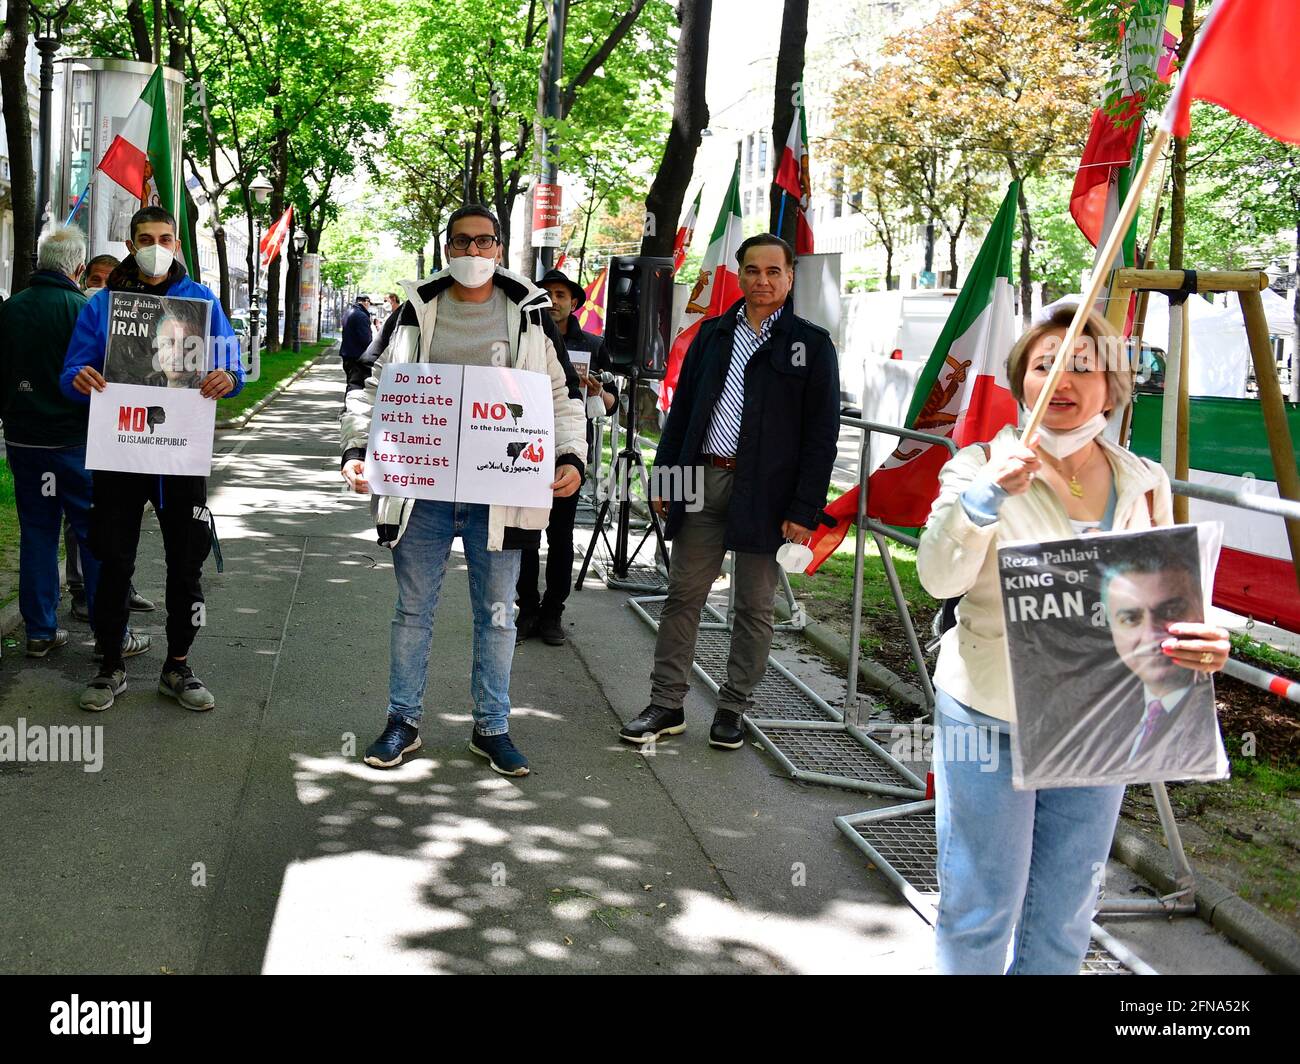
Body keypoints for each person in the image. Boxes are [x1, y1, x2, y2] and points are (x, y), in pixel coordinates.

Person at [914, 304, 1230, 975]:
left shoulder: (1145, 480)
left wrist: (1199, 646)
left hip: (1100, 727)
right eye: (1044, 364)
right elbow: (938, 577)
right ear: (1020, 381)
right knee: (979, 911)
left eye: (1083, 365)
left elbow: (1163, 608)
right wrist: (981, 502)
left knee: (1064, 916)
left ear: (1112, 386)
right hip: (991, 719)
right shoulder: (976, 464)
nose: (1063, 378)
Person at [340, 204, 586, 775]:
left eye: (484, 242)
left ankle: (491, 727)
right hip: (421, 491)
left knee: (497, 614)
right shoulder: (412, 310)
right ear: (446, 248)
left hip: (498, 494)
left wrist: (572, 453)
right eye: (461, 242)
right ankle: (403, 721)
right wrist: (357, 450)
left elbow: (558, 394)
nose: (473, 253)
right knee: (412, 611)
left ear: (499, 248)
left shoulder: (529, 313)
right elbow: (369, 386)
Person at [619, 234, 840, 750]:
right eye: (752, 271)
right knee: (683, 596)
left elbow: (821, 435)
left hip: (769, 493)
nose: (762, 280)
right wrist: (666, 479)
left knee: (754, 607)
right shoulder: (712, 335)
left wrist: (805, 508)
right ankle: (666, 704)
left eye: (773, 271)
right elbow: (683, 415)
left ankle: (733, 708)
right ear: (738, 275)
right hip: (700, 478)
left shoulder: (811, 344)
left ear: (789, 277)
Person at [61, 206, 243, 713]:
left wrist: (228, 378)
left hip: (179, 457)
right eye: (146, 237)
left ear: (178, 244)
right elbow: (72, 369)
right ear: (130, 242)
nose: (156, 245)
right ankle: (109, 664)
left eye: (165, 237)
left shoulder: (201, 301)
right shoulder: (104, 305)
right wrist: (80, 379)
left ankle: (178, 665)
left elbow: (230, 365)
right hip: (120, 453)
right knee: (112, 557)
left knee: (187, 562)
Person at [0, 225, 148, 660]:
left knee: (38, 534)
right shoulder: (83, 309)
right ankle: (112, 636)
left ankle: (41, 631)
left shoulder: (9, 311)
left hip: (25, 443)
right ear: (79, 267)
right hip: (77, 443)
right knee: (95, 537)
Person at [515, 268, 618, 646]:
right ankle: (525, 609)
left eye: (561, 294)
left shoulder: (592, 343)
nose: (554, 300)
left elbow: (609, 406)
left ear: (574, 302)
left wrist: (595, 392)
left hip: (567, 454)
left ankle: (553, 611)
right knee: (523, 533)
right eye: (547, 293)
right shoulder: (521, 334)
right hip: (521, 446)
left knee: (560, 536)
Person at [63, 252, 154, 620]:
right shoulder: (83, 312)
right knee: (84, 516)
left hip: (124, 433)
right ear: (84, 277)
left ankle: (120, 587)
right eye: (95, 280)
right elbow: (67, 372)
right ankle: (83, 591)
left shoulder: (123, 313)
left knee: (119, 521)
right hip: (82, 432)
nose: (100, 287)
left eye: (108, 280)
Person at [1098, 549, 1220, 771]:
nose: (1150, 636)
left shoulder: (1198, 723)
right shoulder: (1105, 716)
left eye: (1170, 611)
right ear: (1111, 630)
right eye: (1131, 618)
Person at [340, 295, 373, 393]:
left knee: (350, 381)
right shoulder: (362, 316)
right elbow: (366, 339)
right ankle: (349, 407)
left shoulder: (348, 313)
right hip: (357, 356)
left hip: (347, 354)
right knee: (356, 384)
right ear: (366, 301)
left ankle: (347, 405)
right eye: (369, 303)